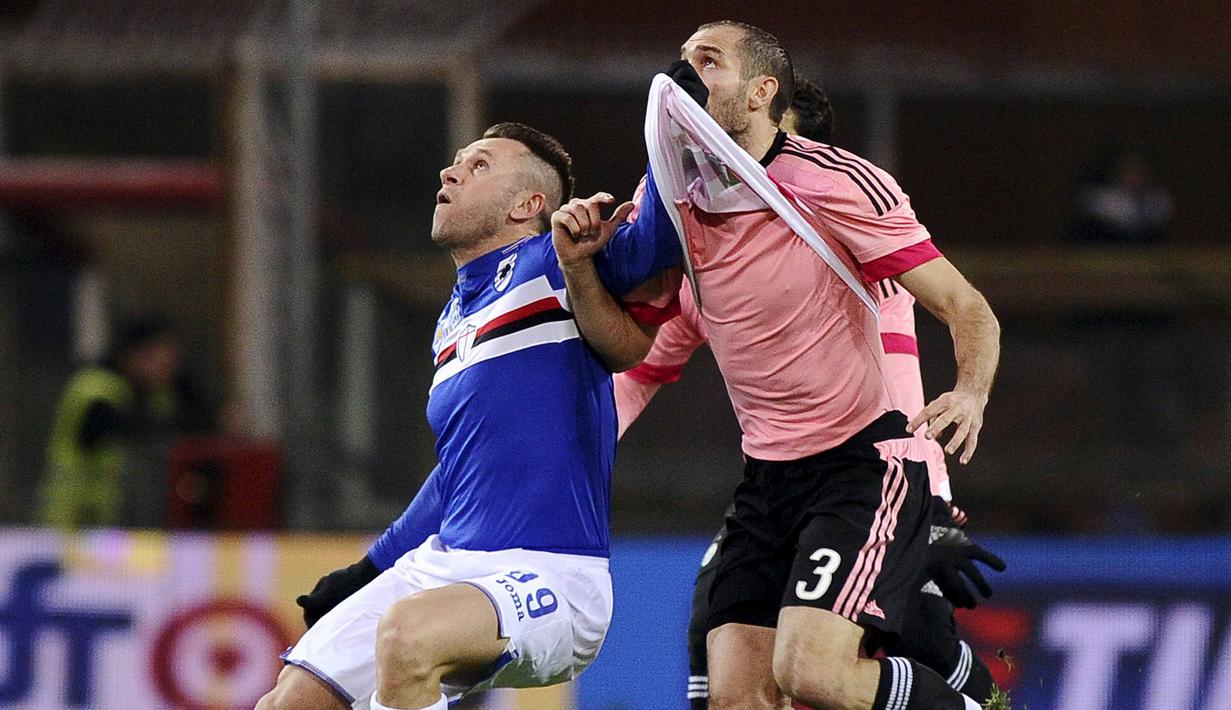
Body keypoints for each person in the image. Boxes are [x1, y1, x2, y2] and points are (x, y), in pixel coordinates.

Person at [558, 21, 1001, 710]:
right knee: (733, 696)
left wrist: (963, 411)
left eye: (708, 62)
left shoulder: (839, 196)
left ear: (763, 93)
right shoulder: (671, 204)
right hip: (767, 483)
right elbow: (634, 354)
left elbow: (962, 307)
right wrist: (579, 264)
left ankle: (968, 700)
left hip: (865, 467)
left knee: (814, 675)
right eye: (681, 60)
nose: (681, 77)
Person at [256, 122, 680, 710]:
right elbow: (454, 477)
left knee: (408, 638)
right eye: (456, 161)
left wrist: (678, 125)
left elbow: (655, 238)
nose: (449, 172)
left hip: (553, 576)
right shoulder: (453, 319)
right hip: (447, 563)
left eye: (480, 165)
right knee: (289, 701)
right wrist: (367, 569)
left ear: (528, 204)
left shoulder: (554, 264)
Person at [41, 317, 213, 528]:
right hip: (75, 521)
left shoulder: (156, 393)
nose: (168, 369)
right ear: (135, 356)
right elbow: (122, 429)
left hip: (118, 524)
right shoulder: (97, 388)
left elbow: (198, 421)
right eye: (159, 359)